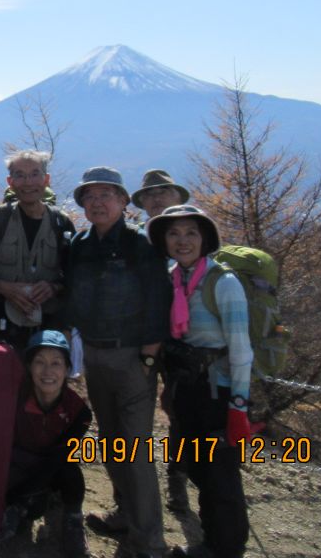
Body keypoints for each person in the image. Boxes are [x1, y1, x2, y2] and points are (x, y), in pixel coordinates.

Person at [64, 166, 171, 558]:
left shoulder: (142, 245)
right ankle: (125, 513)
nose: (97, 202)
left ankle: (150, 541)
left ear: (125, 201)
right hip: (94, 353)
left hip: (132, 357)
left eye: (106, 194)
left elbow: (159, 300)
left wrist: (148, 356)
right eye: (90, 196)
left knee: (137, 450)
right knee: (111, 441)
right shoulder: (79, 244)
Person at [147, 205, 256, 558]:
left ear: (205, 238)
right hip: (187, 388)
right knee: (200, 467)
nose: (182, 241)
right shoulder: (173, 278)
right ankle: (212, 541)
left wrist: (238, 404)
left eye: (191, 233)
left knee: (220, 473)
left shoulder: (222, 283)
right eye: (174, 234)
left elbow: (241, 348)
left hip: (218, 390)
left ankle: (226, 547)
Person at [132, 168, 193, 513]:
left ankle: (178, 480)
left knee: (179, 412)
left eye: (163, 192)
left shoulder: (191, 236)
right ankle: (137, 490)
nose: (156, 198)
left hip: (184, 341)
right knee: (136, 412)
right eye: (150, 194)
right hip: (142, 338)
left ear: (177, 197)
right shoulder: (138, 239)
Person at [2, 330, 92, 558]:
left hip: (51, 468)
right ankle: (20, 506)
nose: (48, 371)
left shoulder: (78, 412)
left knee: (70, 472)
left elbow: (57, 459)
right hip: (18, 464)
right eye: (39, 362)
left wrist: (23, 497)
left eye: (56, 363)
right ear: (29, 367)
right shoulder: (12, 400)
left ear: (67, 369)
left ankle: (72, 520)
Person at [0, 150, 75, 350]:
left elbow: (73, 271)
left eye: (35, 174)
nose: (28, 182)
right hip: (4, 324)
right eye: (20, 175)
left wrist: (54, 287)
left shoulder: (60, 222)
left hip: (50, 327)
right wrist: (3, 287)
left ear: (46, 179)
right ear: (10, 181)